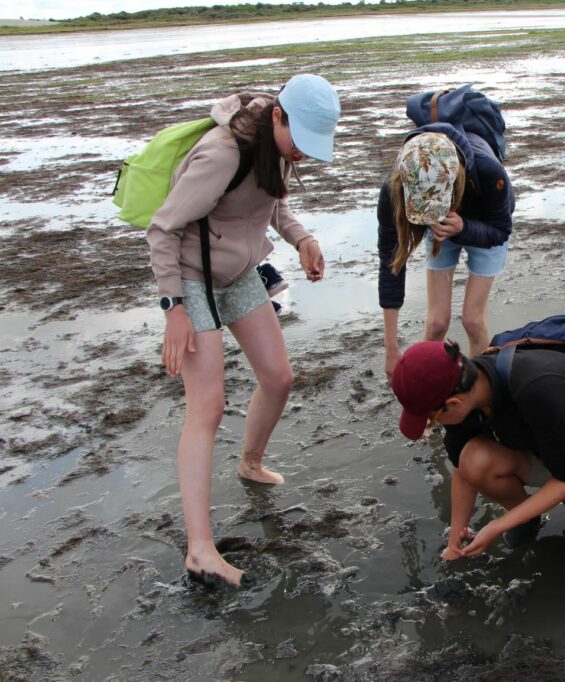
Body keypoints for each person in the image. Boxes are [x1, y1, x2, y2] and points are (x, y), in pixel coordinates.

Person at [146, 74, 338, 587]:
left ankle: (250, 463)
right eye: (299, 141)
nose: (301, 154)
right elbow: (163, 227)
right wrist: (174, 308)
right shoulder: (222, 154)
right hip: (193, 283)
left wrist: (302, 239)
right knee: (206, 408)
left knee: (278, 378)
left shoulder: (275, 151)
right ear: (278, 116)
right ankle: (200, 550)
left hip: (241, 274)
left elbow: (271, 204)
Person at [390, 340, 565, 559]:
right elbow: (462, 471)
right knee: (473, 460)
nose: (434, 425)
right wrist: (454, 541)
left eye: (433, 419)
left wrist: (497, 525)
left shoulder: (539, 386)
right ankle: (528, 516)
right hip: (544, 455)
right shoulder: (466, 393)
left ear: (453, 403)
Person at [377, 122, 514, 380]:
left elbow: (500, 230)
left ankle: (479, 396)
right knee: (437, 322)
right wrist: (391, 348)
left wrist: (463, 228)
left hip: (485, 224)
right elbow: (390, 264)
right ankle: (428, 394)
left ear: (455, 179)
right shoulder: (393, 188)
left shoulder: (488, 172)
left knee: (473, 321)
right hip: (444, 228)